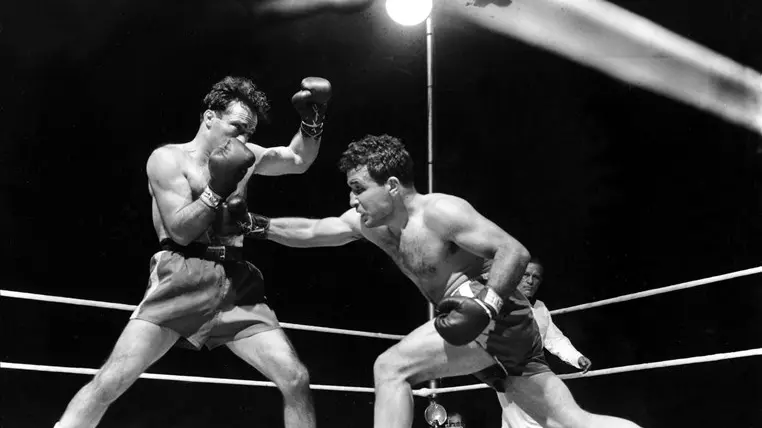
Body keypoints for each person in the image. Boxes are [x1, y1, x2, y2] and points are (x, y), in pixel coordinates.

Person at [225, 134, 643, 428]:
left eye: (358, 188)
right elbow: (316, 231)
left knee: (390, 368)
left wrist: (487, 305)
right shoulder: (371, 222)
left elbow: (513, 251)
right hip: (484, 325)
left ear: (391, 185)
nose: (352, 199)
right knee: (569, 421)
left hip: (494, 310)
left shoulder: (440, 212)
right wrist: (253, 225)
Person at [54, 75, 332, 428]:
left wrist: (313, 119)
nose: (243, 139)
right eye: (237, 127)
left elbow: (298, 159)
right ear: (209, 117)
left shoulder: (248, 156)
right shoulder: (168, 160)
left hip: (235, 280)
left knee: (295, 378)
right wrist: (217, 188)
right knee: (112, 380)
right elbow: (182, 232)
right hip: (182, 274)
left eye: (249, 132)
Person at [498, 258, 593, 428]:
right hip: (509, 371)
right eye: (526, 275)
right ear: (516, 276)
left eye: (536, 277)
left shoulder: (540, 308)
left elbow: (554, 339)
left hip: (535, 373)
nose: (530, 281)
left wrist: (577, 357)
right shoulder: (503, 304)